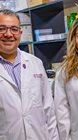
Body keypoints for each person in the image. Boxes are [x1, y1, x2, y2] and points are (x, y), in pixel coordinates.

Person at [0, 9, 59, 140]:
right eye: (2, 28)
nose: (8, 34)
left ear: (20, 33)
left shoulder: (35, 63)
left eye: (14, 29)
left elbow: (48, 110)